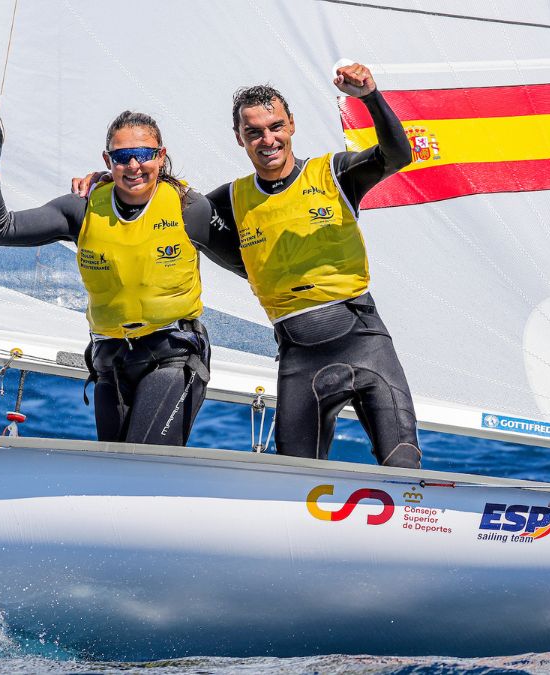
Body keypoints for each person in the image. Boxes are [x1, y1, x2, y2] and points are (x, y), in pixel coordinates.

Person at [74, 62, 421, 468]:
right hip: (298, 357)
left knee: (402, 463)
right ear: (240, 139)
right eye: (253, 132)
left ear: (291, 124)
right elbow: (159, 193)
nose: (267, 139)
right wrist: (109, 175)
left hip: (365, 341)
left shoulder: (335, 174)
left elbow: (398, 154)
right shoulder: (231, 200)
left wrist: (370, 99)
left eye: (275, 127)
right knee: (294, 479)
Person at [0, 107, 244, 445]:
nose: (133, 166)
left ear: (160, 156)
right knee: (114, 465)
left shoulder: (189, 208)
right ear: (107, 158)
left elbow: (246, 265)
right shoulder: (82, 208)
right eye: (122, 157)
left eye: (143, 155)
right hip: (111, 361)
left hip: (174, 354)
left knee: (141, 462)